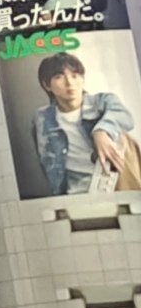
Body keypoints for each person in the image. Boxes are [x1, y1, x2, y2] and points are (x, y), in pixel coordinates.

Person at [31, 49, 141, 198]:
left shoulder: (102, 102)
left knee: (123, 137)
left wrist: (101, 131)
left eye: (75, 76)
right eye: (59, 77)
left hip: (114, 184)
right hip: (75, 193)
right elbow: (45, 159)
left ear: (82, 79)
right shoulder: (42, 118)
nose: (69, 82)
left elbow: (125, 117)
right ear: (47, 85)